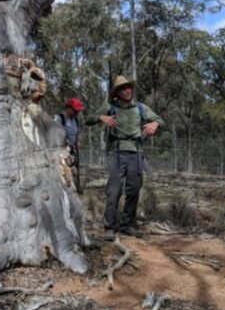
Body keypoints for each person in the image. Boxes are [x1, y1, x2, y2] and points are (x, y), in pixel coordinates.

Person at [84, 75, 164, 239]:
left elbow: (160, 120)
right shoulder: (110, 107)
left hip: (136, 153)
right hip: (117, 153)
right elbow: (88, 119)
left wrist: (155, 123)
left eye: (129, 88)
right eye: (123, 89)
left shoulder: (140, 108)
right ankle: (109, 227)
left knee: (134, 190)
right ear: (117, 93)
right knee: (114, 190)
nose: (128, 91)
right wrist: (101, 117)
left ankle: (127, 225)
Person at [55, 98, 84, 192]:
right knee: (63, 173)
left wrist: (77, 142)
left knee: (74, 171)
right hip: (62, 152)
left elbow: (77, 133)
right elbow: (55, 134)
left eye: (77, 111)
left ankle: (75, 189)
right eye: (75, 110)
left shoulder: (76, 120)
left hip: (73, 151)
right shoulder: (59, 118)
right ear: (68, 108)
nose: (76, 113)